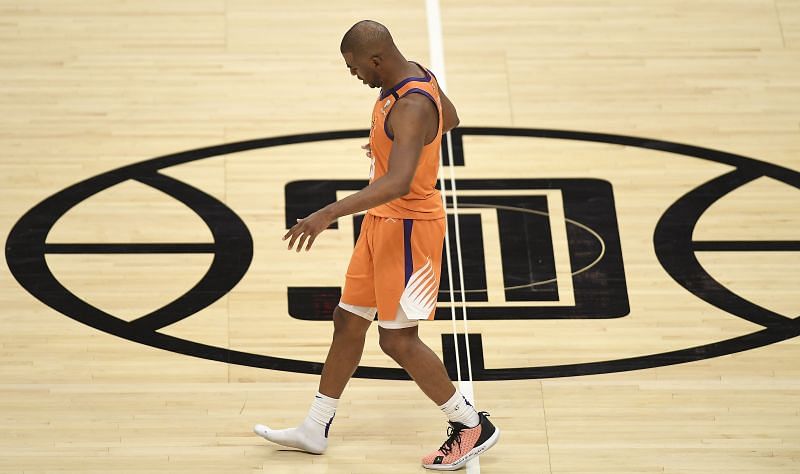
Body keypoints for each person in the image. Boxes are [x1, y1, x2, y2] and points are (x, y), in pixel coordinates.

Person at [254, 20, 499, 470]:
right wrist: (392, 149)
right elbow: (453, 118)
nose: (354, 76)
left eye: (354, 68)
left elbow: (400, 182)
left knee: (399, 341)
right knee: (348, 321)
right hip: (382, 226)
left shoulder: (410, 106)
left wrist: (328, 212)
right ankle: (315, 425)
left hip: (411, 231)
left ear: (376, 60)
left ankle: (469, 424)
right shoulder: (414, 75)